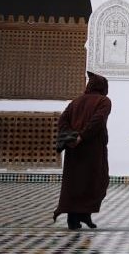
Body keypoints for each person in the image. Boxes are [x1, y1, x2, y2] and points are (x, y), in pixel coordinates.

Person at [53, 71, 112, 230]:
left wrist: (71, 136)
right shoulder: (104, 101)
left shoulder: (75, 102)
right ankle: (79, 216)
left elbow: (62, 120)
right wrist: (82, 136)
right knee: (94, 181)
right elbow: (97, 120)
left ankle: (80, 217)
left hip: (75, 150)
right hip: (93, 150)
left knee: (76, 182)